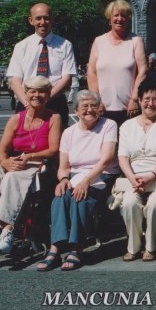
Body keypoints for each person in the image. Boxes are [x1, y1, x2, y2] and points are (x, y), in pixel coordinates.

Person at [0, 76, 61, 254]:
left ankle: (7, 229)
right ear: (25, 94)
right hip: (12, 160)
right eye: (32, 91)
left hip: (37, 163)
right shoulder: (16, 119)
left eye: (42, 91)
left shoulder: (54, 117)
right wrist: (5, 162)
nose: (37, 95)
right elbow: (1, 150)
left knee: (12, 178)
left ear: (48, 95)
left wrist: (29, 156)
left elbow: (54, 150)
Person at [38, 90, 119, 271]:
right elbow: (63, 166)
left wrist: (87, 180)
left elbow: (106, 160)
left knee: (80, 197)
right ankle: (55, 248)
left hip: (101, 175)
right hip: (75, 177)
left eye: (94, 106)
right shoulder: (69, 133)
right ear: (76, 111)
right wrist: (63, 179)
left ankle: (76, 248)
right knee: (60, 196)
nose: (90, 109)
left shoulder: (108, 125)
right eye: (85, 106)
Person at [116, 72, 156, 261]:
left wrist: (152, 175)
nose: (151, 103)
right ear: (140, 100)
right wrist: (132, 178)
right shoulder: (127, 126)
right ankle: (133, 247)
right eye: (147, 99)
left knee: (155, 204)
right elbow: (122, 157)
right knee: (129, 203)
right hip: (133, 178)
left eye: (155, 100)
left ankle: (151, 247)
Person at [6, 2, 77, 129]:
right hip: (26, 102)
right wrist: (28, 102)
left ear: (52, 20)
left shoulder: (65, 45)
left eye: (46, 18)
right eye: (38, 18)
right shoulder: (21, 46)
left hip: (55, 102)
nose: (42, 22)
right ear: (31, 20)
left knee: (57, 140)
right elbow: (15, 80)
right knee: (25, 140)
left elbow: (67, 79)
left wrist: (44, 99)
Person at [87, 0, 148, 127]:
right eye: (116, 15)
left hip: (129, 108)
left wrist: (134, 99)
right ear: (110, 19)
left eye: (124, 16)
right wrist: (97, 100)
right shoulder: (99, 41)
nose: (120, 19)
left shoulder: (136, 41)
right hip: (102, 107)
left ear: (128, 19)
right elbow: (91, 72)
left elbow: (143, 71)